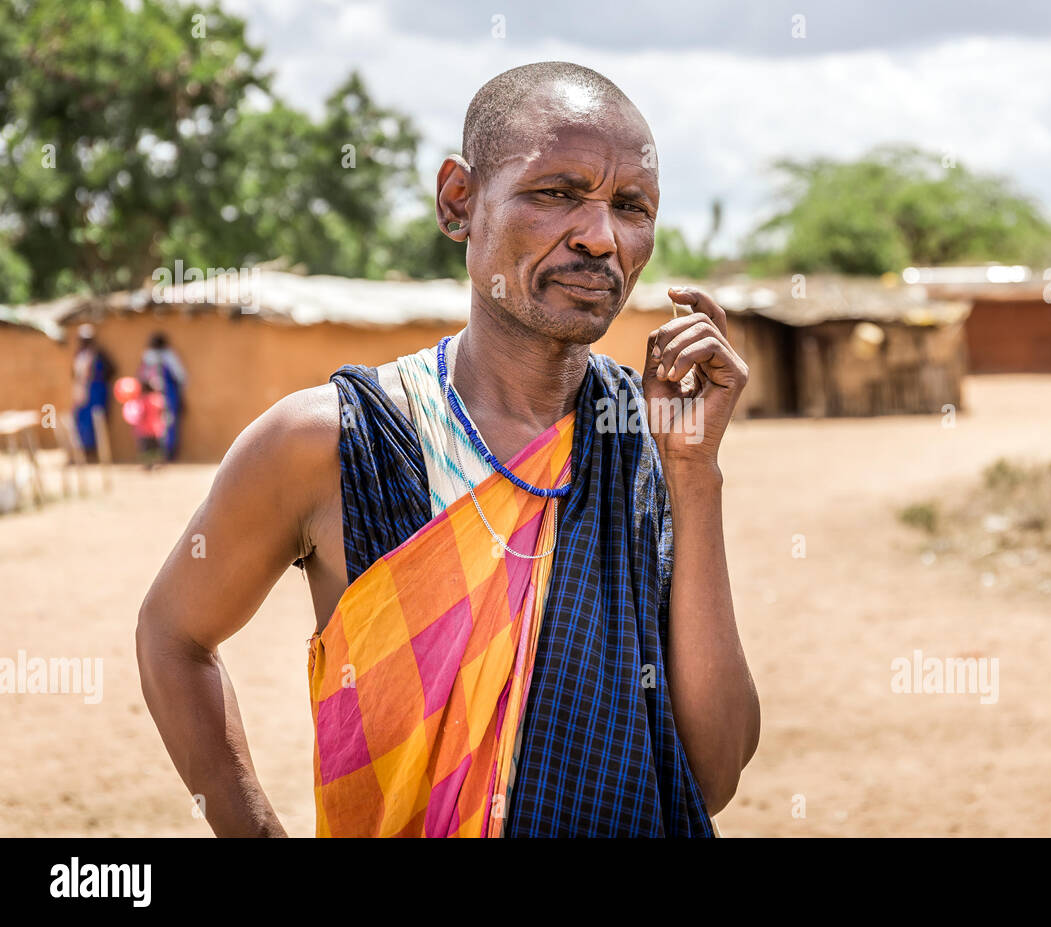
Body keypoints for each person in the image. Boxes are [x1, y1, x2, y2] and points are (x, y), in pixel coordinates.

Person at [137, 61, 760, 838]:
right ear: (458, 201)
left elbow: (713, 771)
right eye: (557, 192)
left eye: (631, 207)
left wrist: (696, 476)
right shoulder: (334, 442)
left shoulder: (648, 443)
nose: (601, 238)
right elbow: (173, 635)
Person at [137, 333, 187, 461]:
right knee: (155, 427)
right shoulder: (152, 357)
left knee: (165, 425)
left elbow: (180, 378)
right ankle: (156, 457)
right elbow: (181, 378)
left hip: (166, 397)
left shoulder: (167, 357)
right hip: (158, 399)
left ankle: (164, 455)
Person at [71, 324, 115, 456]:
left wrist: (96, 381)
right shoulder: (79, 355)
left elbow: (111, 370)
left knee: (97, 421)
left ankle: (97, 451)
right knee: (81, 421)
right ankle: (83, 450)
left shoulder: (98, 355)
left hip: (96, 392)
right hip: (82, 393)